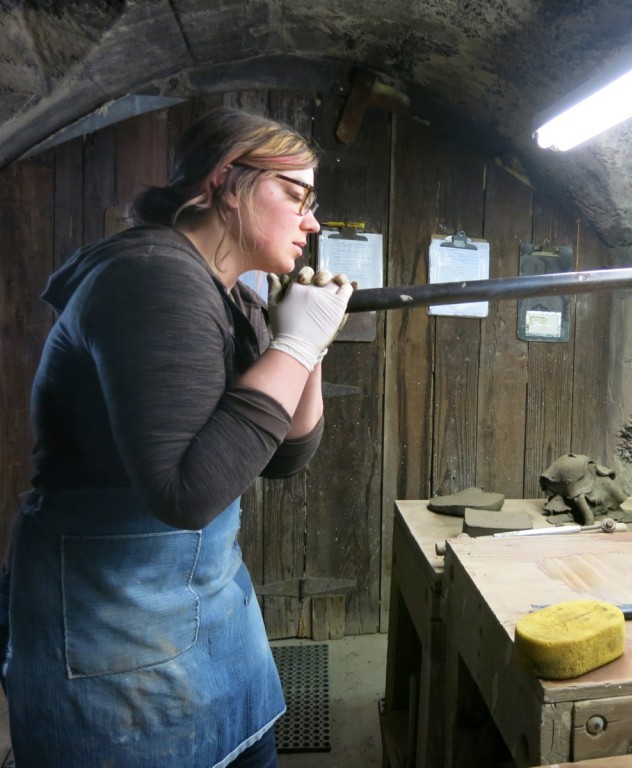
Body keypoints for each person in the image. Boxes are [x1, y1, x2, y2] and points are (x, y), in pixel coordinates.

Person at [0, 107, 352, 766]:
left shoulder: (233, 294)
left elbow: (286, 456)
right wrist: (297, 343)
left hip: (206, 612)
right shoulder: (152, 277)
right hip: (115, 632)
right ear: (225, 181)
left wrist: (305, 345)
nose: (312, 222)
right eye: (296, 197)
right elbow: (186, 494)